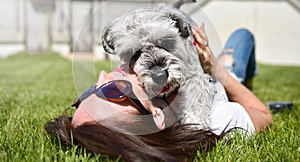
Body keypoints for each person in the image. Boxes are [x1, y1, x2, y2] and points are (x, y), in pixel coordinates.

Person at [45, 24, 272, 162]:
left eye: (90, 90)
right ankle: (245, 76)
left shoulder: (144, 74)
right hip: (221, 78)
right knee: (242, 37)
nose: (104, 75)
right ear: (155, 115)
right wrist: (215, 68)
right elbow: (262, 113)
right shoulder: (212, 120)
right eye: (113, 91)